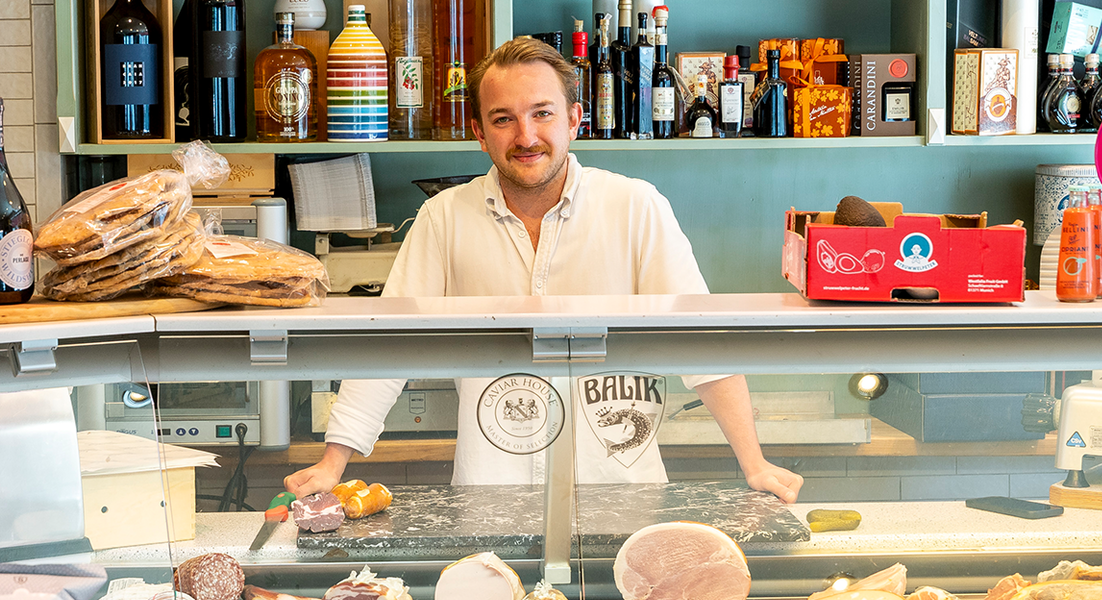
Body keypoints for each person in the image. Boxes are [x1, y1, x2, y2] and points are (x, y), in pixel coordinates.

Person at [285, 38, 803, 503]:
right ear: (479, 133)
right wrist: (335, 461)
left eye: (542, 114)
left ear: (575, 119)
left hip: (621, 491)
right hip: (491, 494)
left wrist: (753, 463)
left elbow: (702, 342)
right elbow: (388, 345)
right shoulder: (443, 218)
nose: (526, 136)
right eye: (503, 118)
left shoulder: (635, 207)